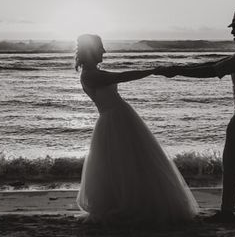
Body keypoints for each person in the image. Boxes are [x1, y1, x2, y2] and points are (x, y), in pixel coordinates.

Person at [156, 9, 235, 223]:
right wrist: (178, 68)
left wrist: (178, 71)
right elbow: (214, 65)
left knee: (231, 161)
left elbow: (212, 71)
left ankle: (227, 212)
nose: (233, 32)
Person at [75, 34, 198, 225]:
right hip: (114, 121)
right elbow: (122, 77)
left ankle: (138, 202)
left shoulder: (94, 73)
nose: (104, 51)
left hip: (120, 118)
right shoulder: (90, 75)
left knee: (132, 163)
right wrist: (152, 70)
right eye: (100, 47)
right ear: (90, 50)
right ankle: (128, 205)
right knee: (124, 165)